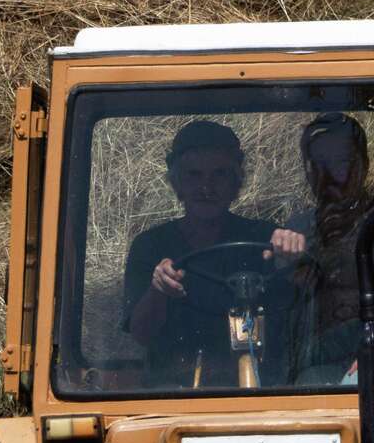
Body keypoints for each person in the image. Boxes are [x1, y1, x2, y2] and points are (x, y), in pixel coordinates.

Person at [123, 120, 302, 386]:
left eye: (219, 174)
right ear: (177, 184)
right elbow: (141, 335)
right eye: (194, 175)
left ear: (236, 183)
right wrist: (158, 289)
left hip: (259, 388)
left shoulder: (265, 240)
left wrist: (291, 259)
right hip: (173, 389)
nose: (206, 187)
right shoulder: (150, 245)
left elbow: (296, 328)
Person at [280, 112, 374, 382]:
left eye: (340, 163)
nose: (329, 177)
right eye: (318, 165)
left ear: (364, 165)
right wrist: (282, 263)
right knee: (302, 388)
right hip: (326, 352)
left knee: (364, 387)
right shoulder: (299, 227)